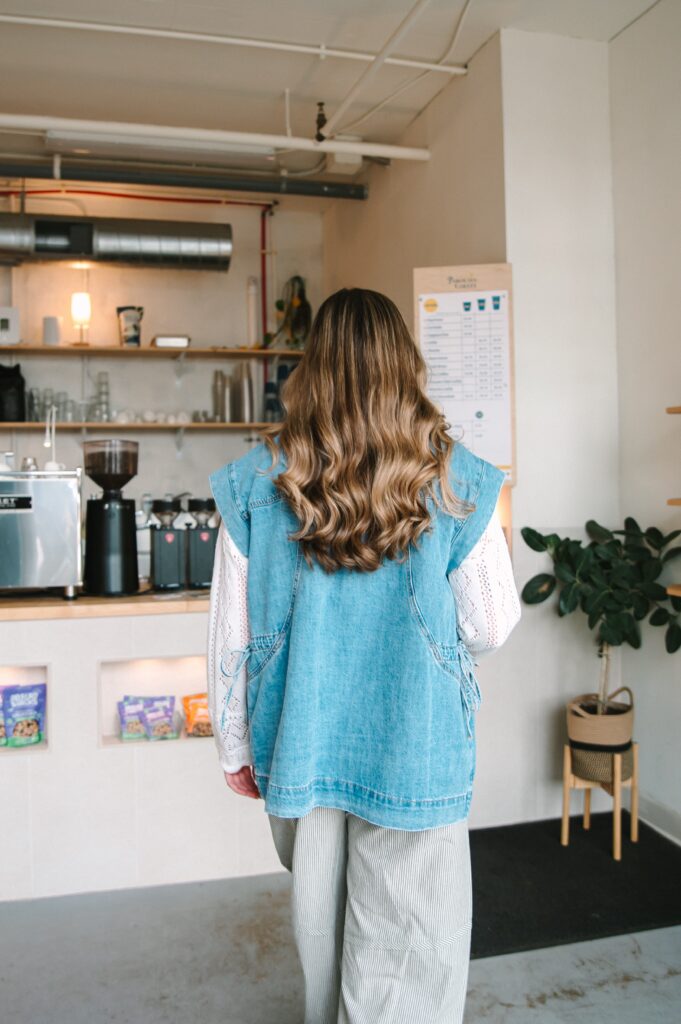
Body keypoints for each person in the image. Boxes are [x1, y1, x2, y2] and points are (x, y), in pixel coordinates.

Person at [207, 287, 521, 1024]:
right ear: (404, 365)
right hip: (415, 734)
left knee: (322, 931)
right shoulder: (453, 475)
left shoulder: (257, 480)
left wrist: (232, 747)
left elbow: (231, 636)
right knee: (409, 943)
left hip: (299, 738)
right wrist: (427, 649)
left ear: (311, 369)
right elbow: (493, 623)